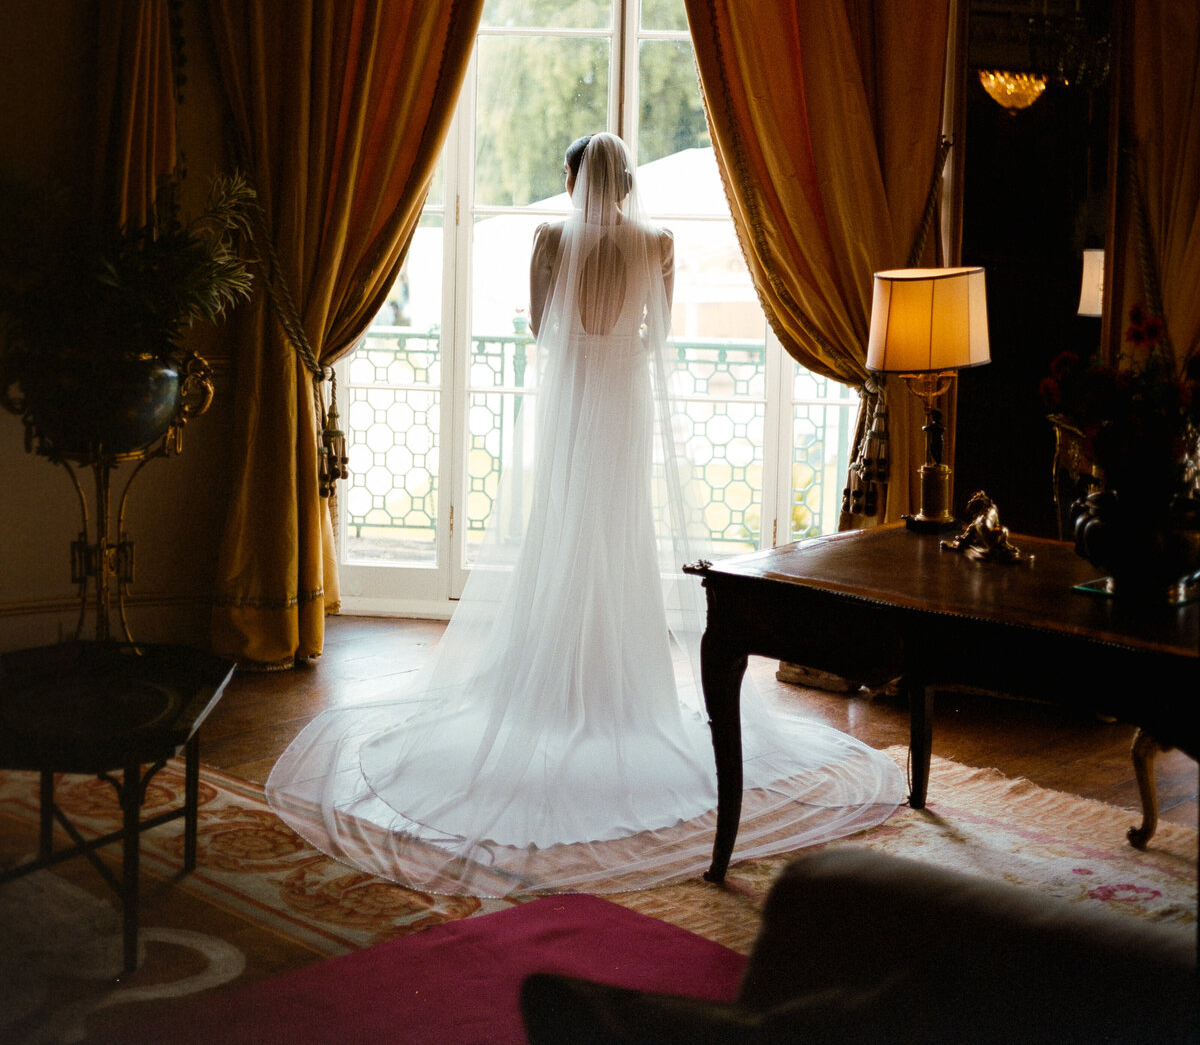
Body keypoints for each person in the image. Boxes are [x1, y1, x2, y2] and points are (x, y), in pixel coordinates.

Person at [267, 134, 903, 897]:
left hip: (574, 404)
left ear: (574, 181)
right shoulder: (658, 242)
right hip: (625, 401)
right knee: (620, 536)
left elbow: (542, 330)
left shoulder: (548, 238)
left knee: (562, 533)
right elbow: (660, 331)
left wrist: (583, 341)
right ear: (629, 187)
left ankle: (549, 680)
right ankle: (622, 686)